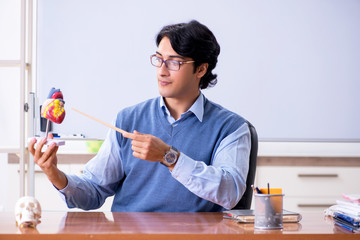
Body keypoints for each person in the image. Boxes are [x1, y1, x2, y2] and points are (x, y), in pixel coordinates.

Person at [29, 20, 251, 212]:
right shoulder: (128, 119)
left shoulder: (231, 127)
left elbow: (230, 192)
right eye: (159, 59)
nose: (162, 70)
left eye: (174, 62)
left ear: (201, 70)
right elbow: (94, 190)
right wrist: (53, 172)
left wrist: (168, 156)